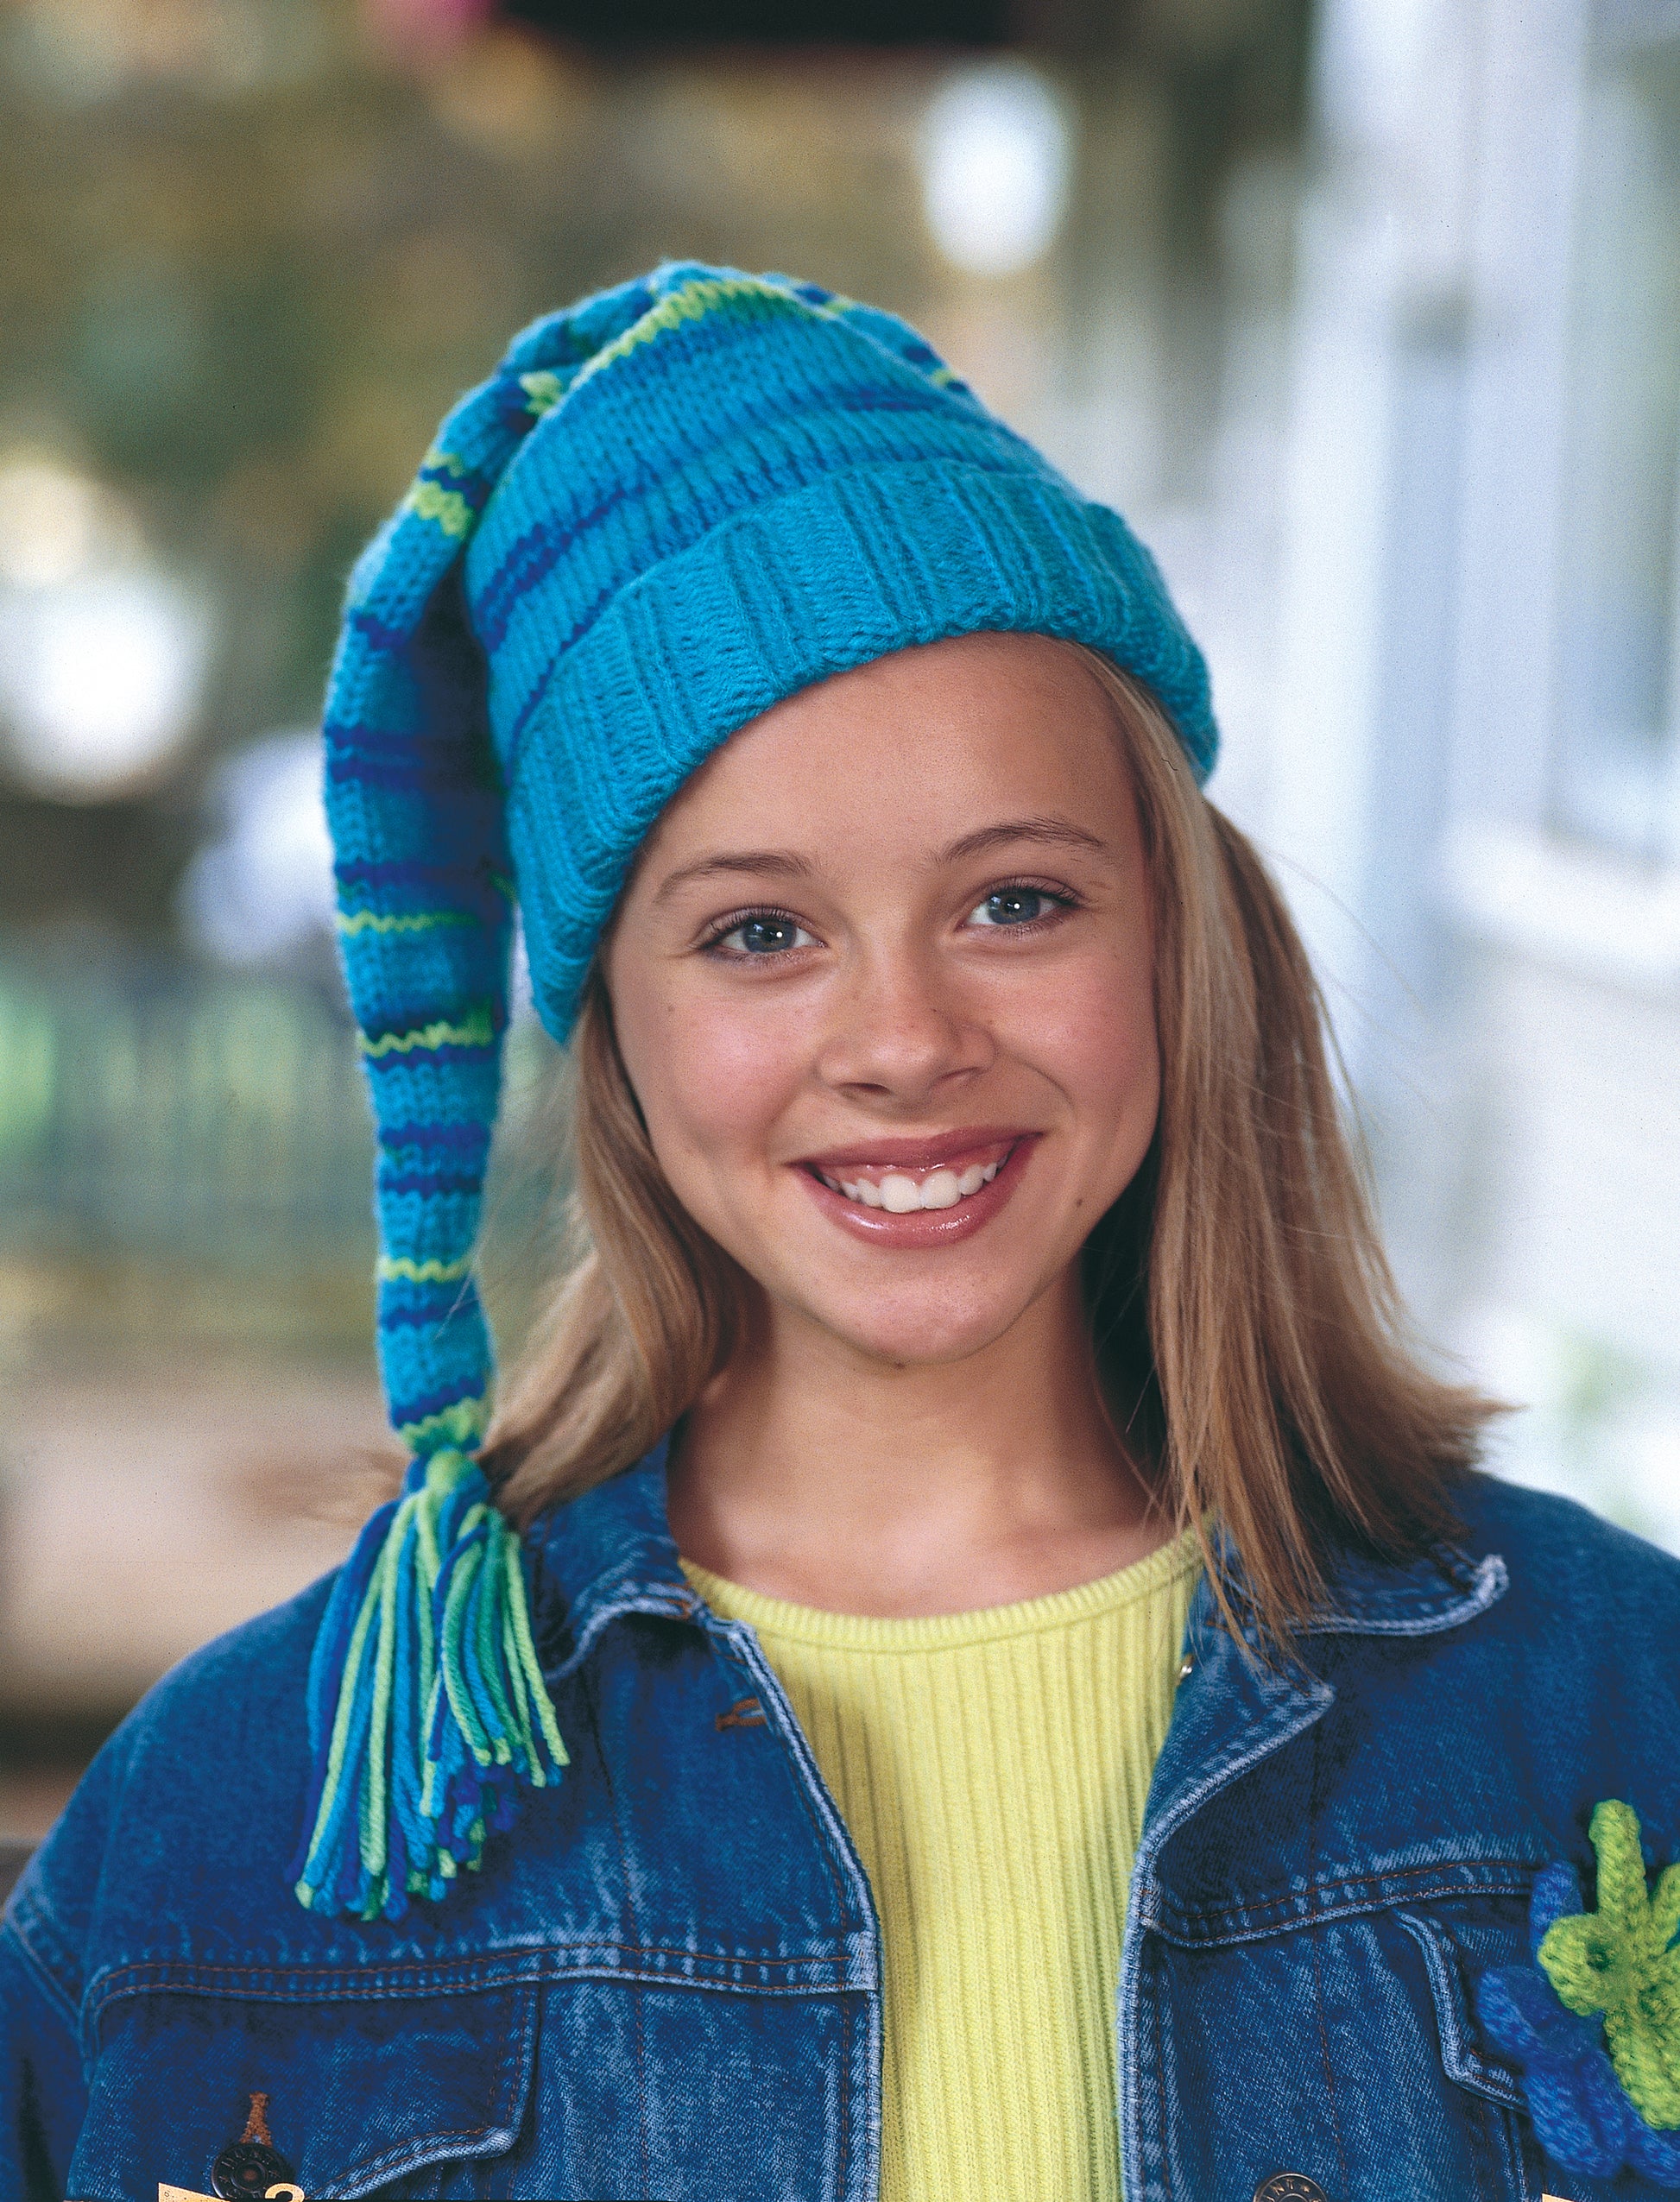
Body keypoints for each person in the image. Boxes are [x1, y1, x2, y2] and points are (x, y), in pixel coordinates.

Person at [3, 262, 1679, 2202]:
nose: (902, 1040)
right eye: (758, 932)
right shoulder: (224, 1831)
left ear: (1179, 934)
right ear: (613, 1029)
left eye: (1016, 901)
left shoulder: (1605, 1701)